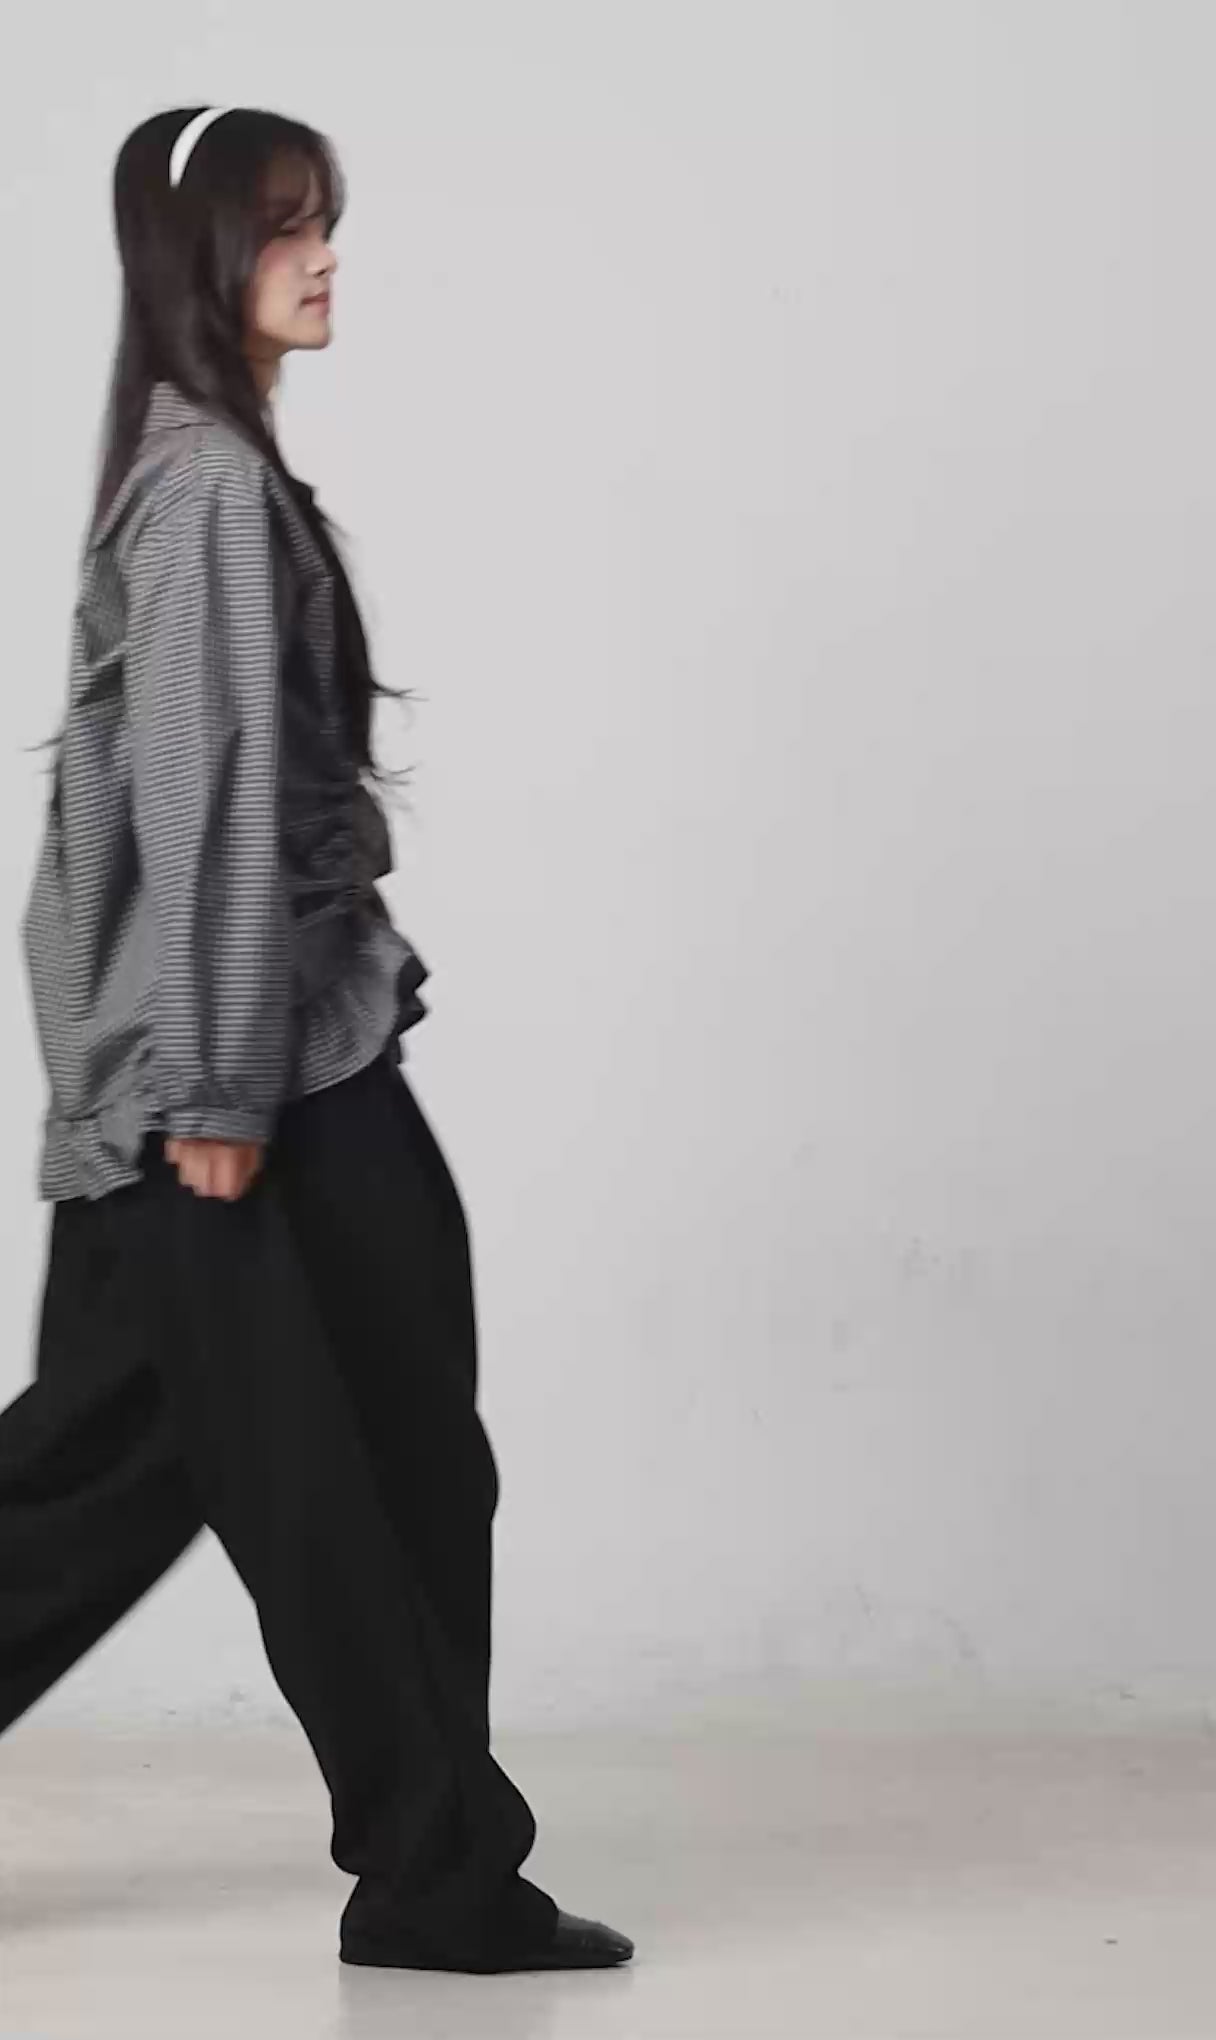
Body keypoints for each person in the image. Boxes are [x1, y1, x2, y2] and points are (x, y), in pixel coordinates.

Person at [0, 103, 634, 1977]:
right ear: (201, 258)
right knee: (370, 1469)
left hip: (252, 1053)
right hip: (242, 1081)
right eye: (285, 227)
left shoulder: (205, 468)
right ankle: (438, 1879)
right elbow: (195, 802)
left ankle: (438, 1869)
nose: (324, 254)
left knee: (119, 1480)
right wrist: (207, 1084)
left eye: (323, 220)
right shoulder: (205, 485)